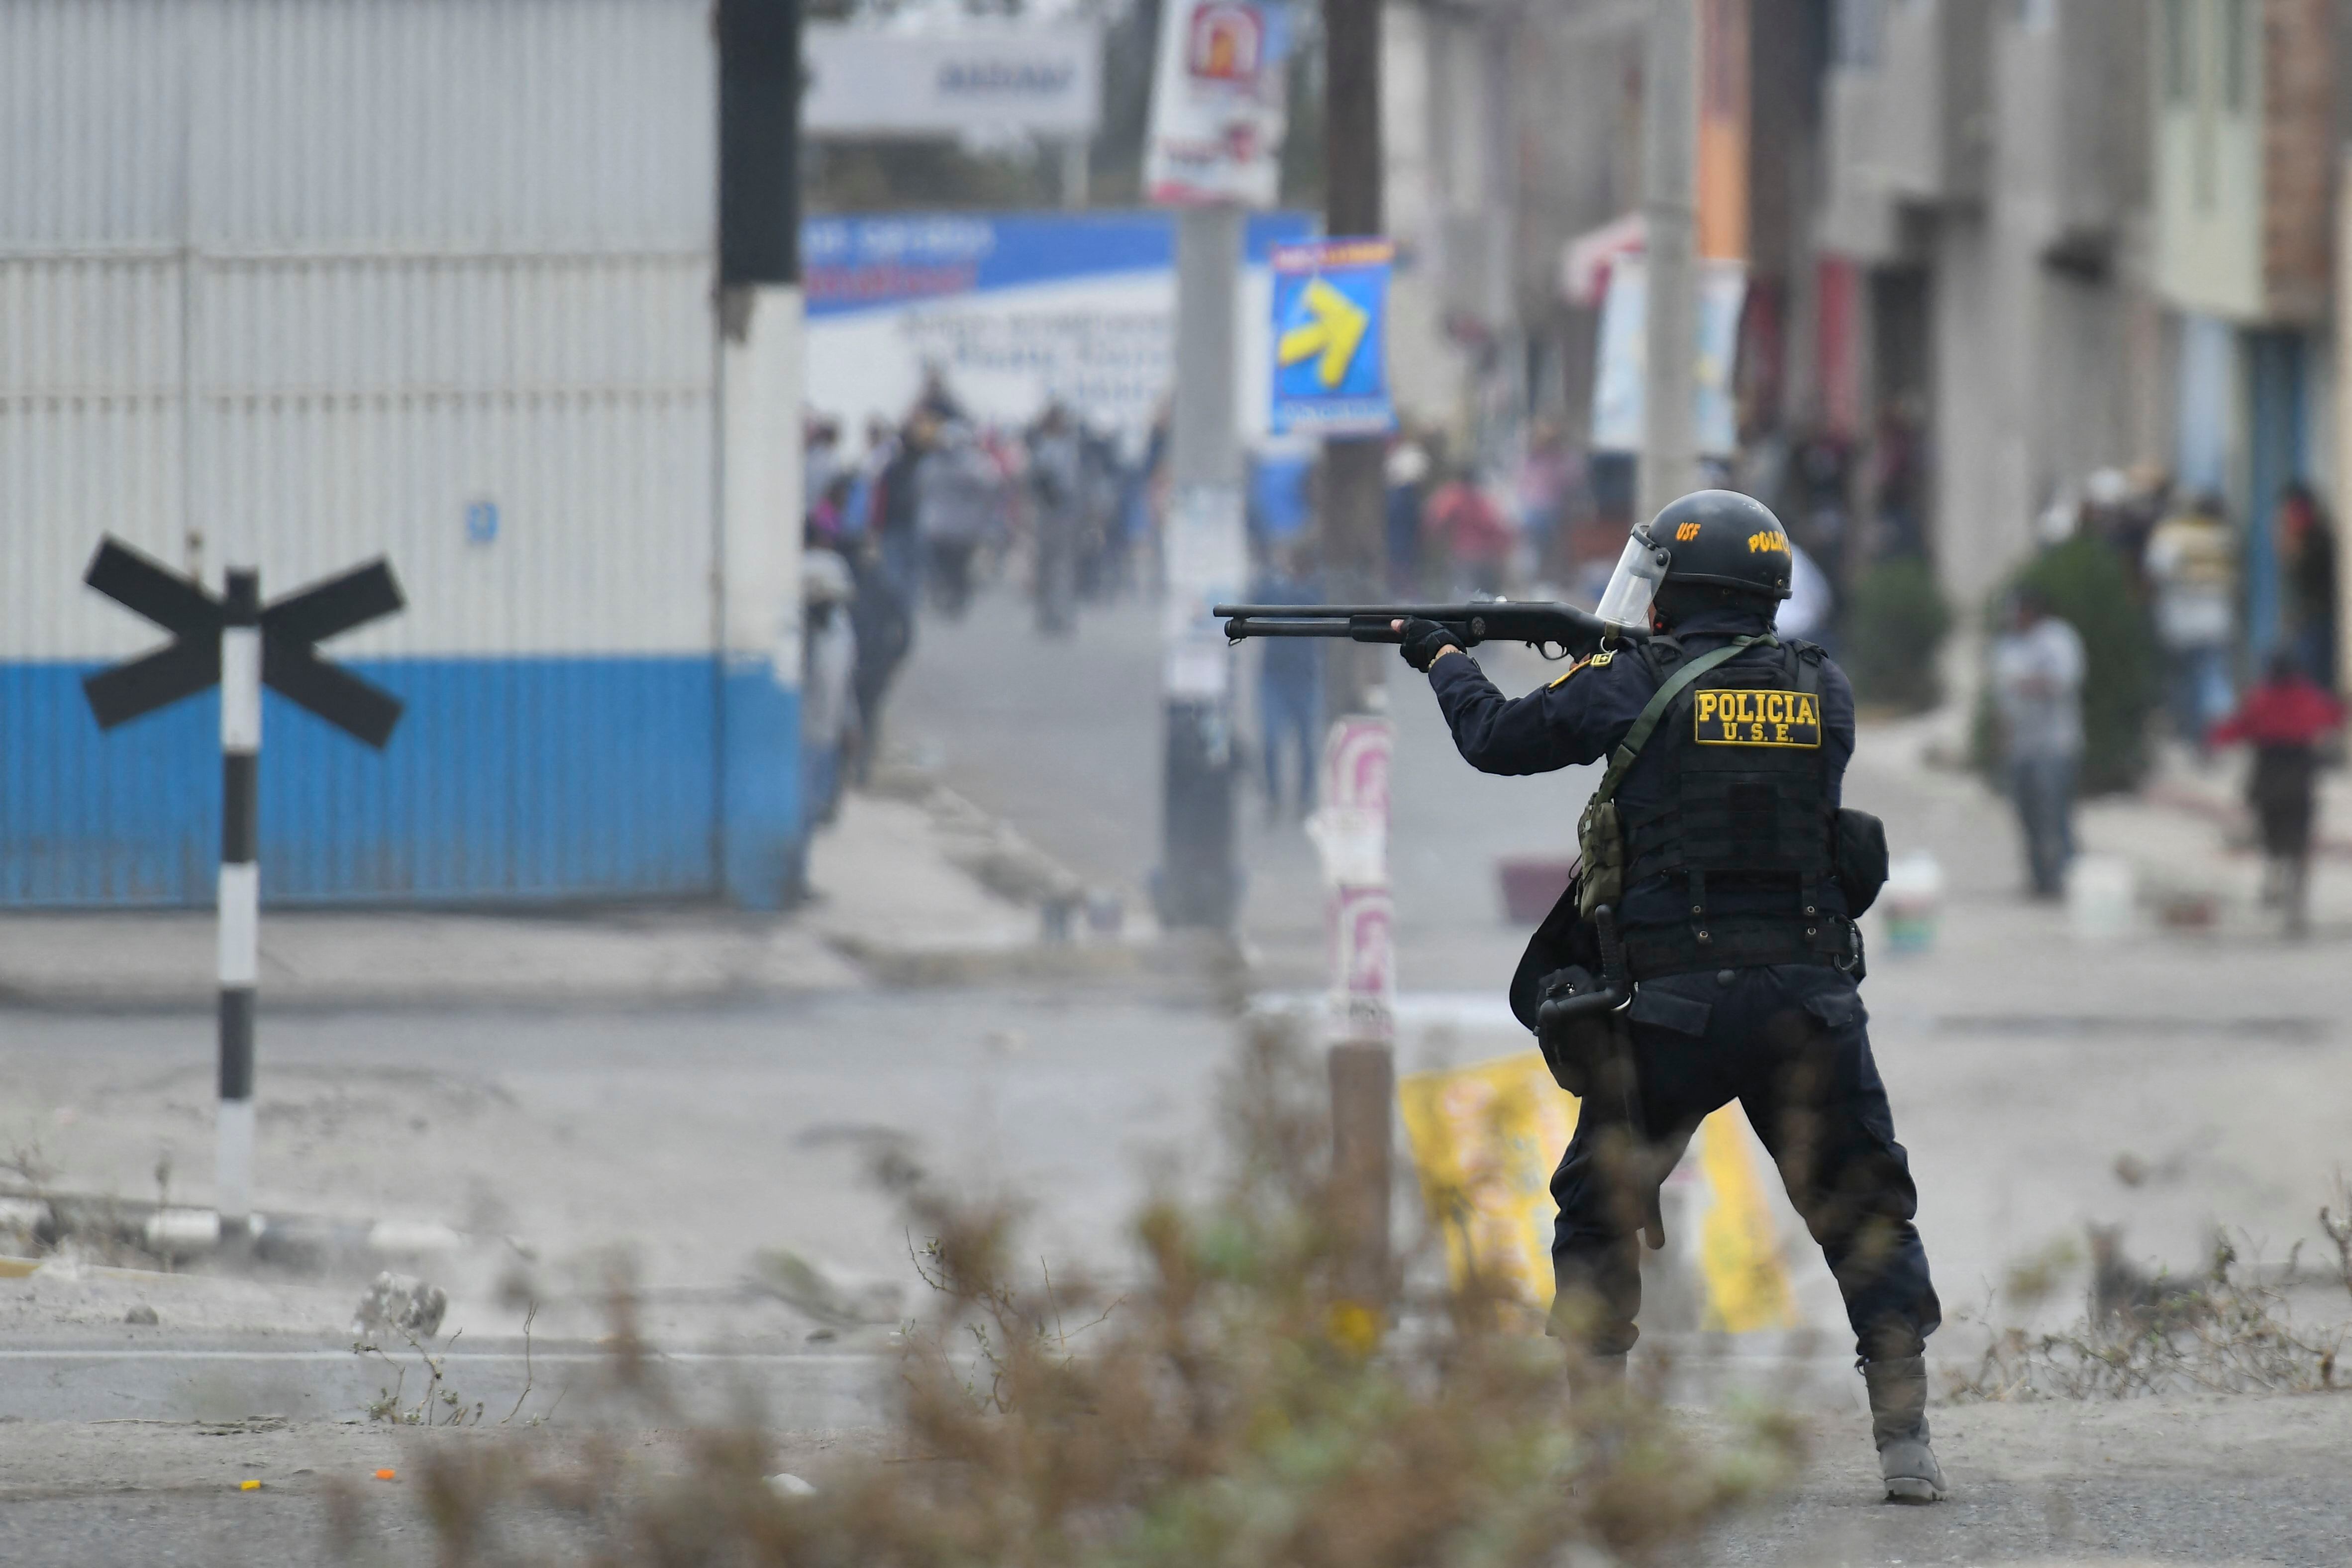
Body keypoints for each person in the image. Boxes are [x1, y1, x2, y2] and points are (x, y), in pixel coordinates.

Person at [1388, 491, 1946, 1504]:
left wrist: (1442, 657)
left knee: (1596, 1211)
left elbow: (1495, 738)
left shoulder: (1628, 682)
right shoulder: (1824, 689)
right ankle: (1903, 1435)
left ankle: (1596, 1436)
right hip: (1809, 1007)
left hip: (1671, 1008)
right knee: (1864, 1211)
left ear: (1675, 590)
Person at [2209, 652, 2346, 937]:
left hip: (2268, 783)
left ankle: (2274, 878)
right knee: (2301, 845)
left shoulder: (2260, 699)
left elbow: (2236, 729)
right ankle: (2297, 906)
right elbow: (2334, 717)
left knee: (2272, 839)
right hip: (2300, 783)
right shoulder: (2307, 698)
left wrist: (2214, 737)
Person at [1990, 587, 2087, 899]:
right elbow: (2002, 697)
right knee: (2027, 815)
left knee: (2055, 813)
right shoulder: (2008, 646)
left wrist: (2027, 683)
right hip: (2021, 745)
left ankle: (2069, 876)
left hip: (2055, 743)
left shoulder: (2058, 640)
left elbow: (2063, 680)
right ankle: (2040, 880)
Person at [2144, 495, 2238, 748]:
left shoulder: (2173, 535)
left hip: (2181, 621)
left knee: (2184, 680)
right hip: (2217, 620)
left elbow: (2155, 571)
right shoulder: (2223, 536)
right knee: (2213, 678)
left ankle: (2191, 734)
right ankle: (2214, 736)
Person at [1250, 545, 1324, 821]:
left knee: (1306, 743)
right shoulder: (1273, 588)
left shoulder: (1314, 591)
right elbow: (1255, 601)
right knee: (1270, 740)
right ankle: (1273, 798)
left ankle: (1304, 799)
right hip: (1275, 677)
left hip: (1304, 677)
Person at [2277, 482, 2339, 692]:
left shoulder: (2317, 539)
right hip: (2307, 619)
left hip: (2318, 618)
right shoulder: (2308, 536)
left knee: (2315, 677)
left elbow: (2302, 569)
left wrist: (2291, 543)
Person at [1420, 466, 1513, 597]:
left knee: (1466, 594)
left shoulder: (1454, 497)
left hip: (1467, 556)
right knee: (1479, 596)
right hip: (1478, 556)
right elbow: (1496, 527)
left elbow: (1434, 521)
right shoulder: (1479, 500)